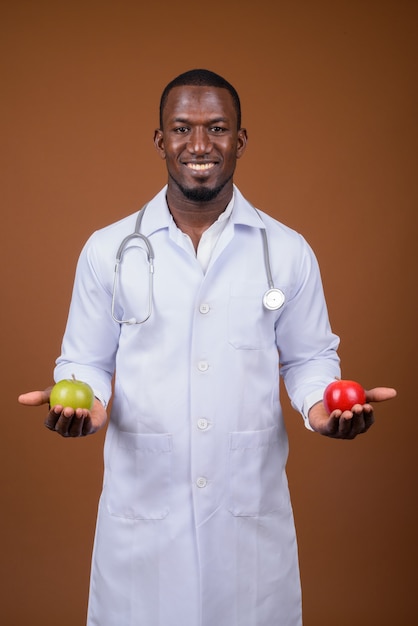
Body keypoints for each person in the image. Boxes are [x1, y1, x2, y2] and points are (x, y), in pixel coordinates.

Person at [19, 69, 396, 626]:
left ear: (240, 141)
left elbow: (310, 358)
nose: (199, 145)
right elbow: (85, 362)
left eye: (217, 128)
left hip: (247, 517)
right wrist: (83, 403)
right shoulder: (108, 250)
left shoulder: (287, 251)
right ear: (160, 141)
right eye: (182, 128)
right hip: (143, 518)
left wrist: (322, 406)